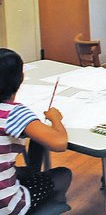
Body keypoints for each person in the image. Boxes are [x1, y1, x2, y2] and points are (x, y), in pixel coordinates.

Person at [0, 48, 72, 213]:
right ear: (21, 79)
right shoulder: (12, 112)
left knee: (25, 172)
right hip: (6, 205)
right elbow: (59, 143)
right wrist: (55, 119)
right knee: (63, 175)